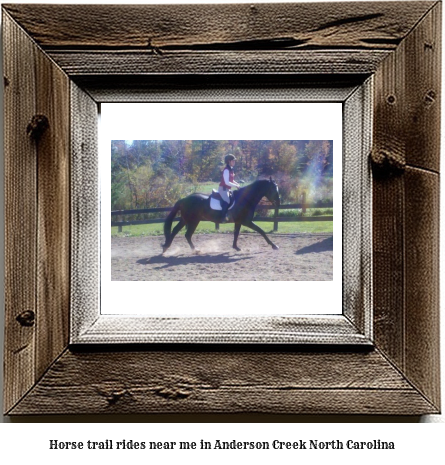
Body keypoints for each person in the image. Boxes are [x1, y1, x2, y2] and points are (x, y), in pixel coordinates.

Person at [219, 154, 240, 222]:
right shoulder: (226, 170)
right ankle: (223, 217)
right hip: (223, 189)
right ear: (229, 161)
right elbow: (227, 182)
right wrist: (235, 186)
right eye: (233, 161)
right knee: (227, 201)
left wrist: (237, 183)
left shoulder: (231, 170)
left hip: (228, 189)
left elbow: (231, 180)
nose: (234, 162)